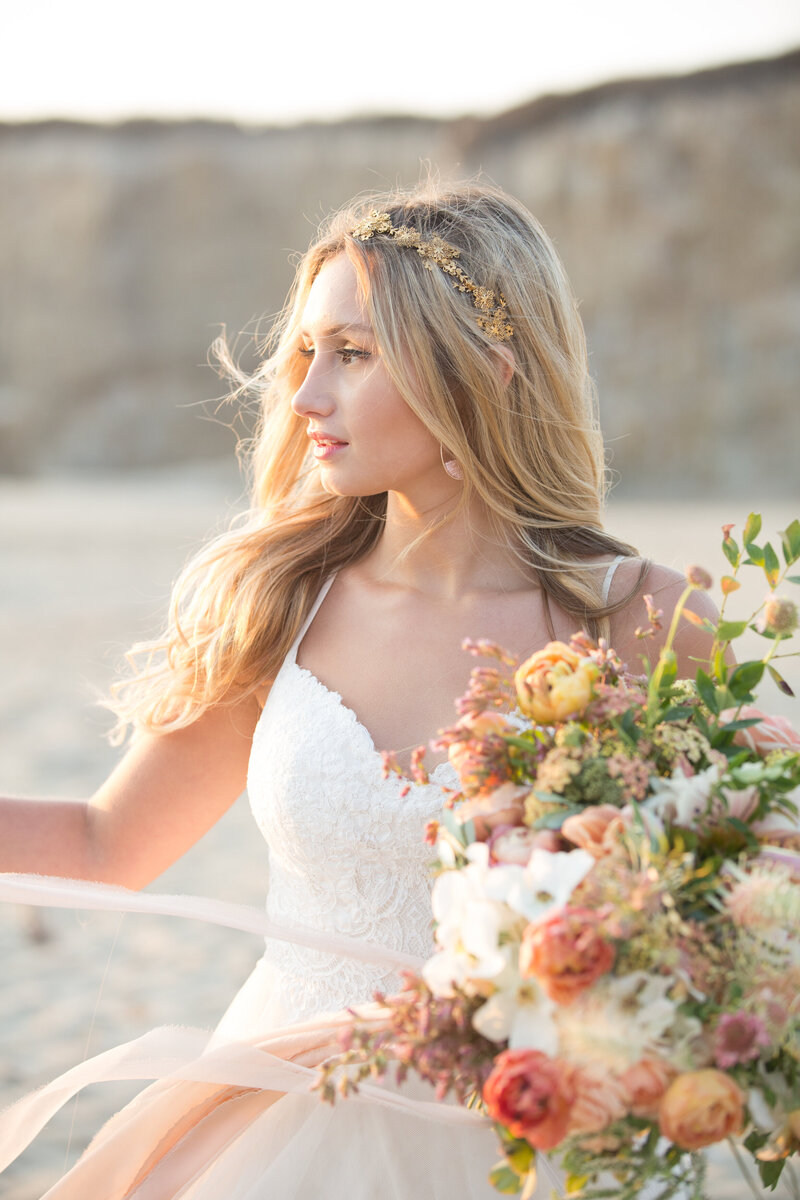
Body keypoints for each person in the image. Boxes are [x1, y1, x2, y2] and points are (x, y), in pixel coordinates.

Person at [0, 179, 716, 1198]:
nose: (303, 398)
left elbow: (727, 892)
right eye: (304, 354)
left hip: (531, 1139)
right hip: (285, 1127)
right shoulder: (279, 604)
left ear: (480, 371)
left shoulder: (643, 618)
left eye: (351, 354)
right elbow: (105, 845)